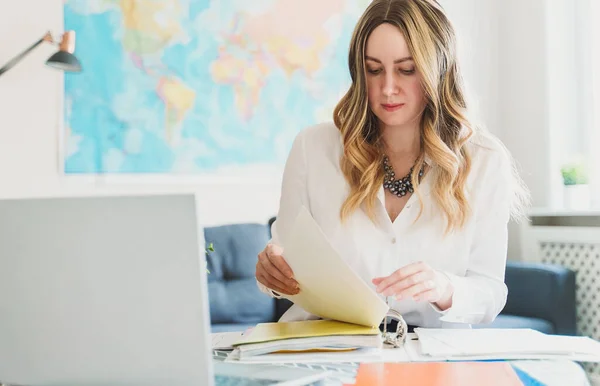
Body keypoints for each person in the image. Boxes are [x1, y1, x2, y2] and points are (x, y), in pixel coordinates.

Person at [255, 0, 529, 329]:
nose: (387, 88)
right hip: (327, 351)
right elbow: (283, 258)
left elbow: (490, 291)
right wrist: (271, 273)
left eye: (406, 69)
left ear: (437, 71)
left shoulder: (484, 161)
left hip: (433, 358)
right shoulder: (313, 148)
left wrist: (444, 288)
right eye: (374, 69)